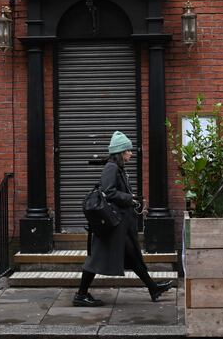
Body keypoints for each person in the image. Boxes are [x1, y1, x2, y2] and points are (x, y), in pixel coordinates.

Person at [73, 131, 174, 307]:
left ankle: (152, 288)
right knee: (95, 258)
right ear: (120, 152)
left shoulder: (118, 167)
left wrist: (130, 199)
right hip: (112, 226)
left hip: (119, 225)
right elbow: (109, 191)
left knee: (133, 255)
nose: (131, 153)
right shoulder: (111, 167)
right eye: (128, 150)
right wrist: (130, 198)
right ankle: (81, 294)